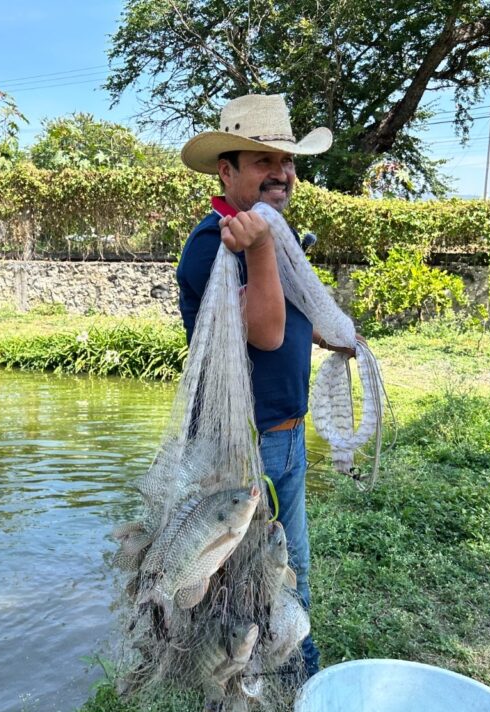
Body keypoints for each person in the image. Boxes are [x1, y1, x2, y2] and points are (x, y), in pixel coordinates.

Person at [177, 94, 358, 680]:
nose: (282, 172)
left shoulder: (273, 234)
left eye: (288, 160)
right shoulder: (217, 244)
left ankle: (278, 672)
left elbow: (291, 309)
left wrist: (329, 333)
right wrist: (256, 248)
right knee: (260, 574)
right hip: (244, 444)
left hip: (284, 433)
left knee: (283, 564)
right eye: (263, 161)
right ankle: (285, 678)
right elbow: (268, 332)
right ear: (225, 172)